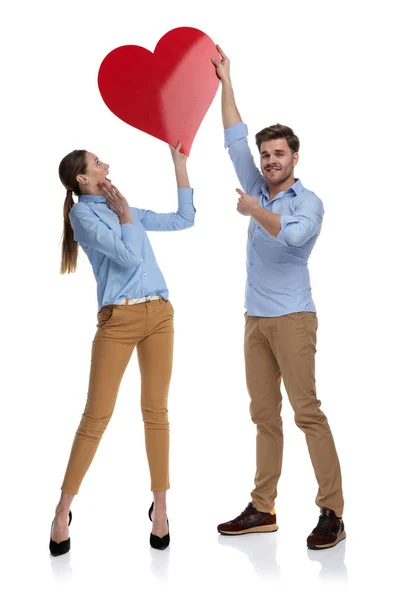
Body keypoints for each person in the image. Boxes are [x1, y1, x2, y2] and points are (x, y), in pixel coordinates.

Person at [211, 46, 345, 550]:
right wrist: (227, 78)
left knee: (306, 411)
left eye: (278, 154)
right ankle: (262, 507)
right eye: (265, 156)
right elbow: (233, 138)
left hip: (293, 319)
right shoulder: (255, 183)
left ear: (294, 157)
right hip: (255, 321)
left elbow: (289, 237)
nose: (268, 161)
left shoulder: (307, 202)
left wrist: (253, 211)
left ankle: (332, 510)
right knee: (263, 416)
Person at [49, 143, 195, 555]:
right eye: (96, 162)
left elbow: (185, 219)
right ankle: (62, 511)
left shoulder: (120, 206)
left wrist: (179, 166)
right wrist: (127, 214)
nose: (104, 163)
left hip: (160, 315)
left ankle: (161, 507)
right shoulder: (82, 215)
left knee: (156, 411)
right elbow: (129, 255)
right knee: (96, 416)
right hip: (118, 319)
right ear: (83, 179)